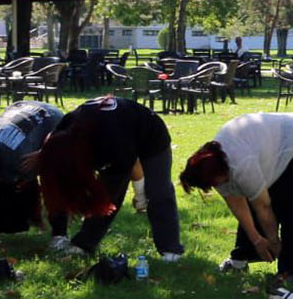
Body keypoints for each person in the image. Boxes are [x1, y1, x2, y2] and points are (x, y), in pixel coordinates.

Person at [37, 95, 184, 261]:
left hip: (151, 134)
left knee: (158, 191)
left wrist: (140, 193)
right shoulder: (65, 130)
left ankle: (170, 250)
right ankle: (84, 244)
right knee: (107, 194)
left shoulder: (108, 145)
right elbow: (55, 153)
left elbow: (123, 174)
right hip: (118, 131)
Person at [178, 111, 293, 280]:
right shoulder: (213, 166)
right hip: (266, 146)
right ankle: (241, 258)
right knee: (251, 195)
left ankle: (292, 270)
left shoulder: (241, 164)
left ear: (221, 171)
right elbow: (238, 205)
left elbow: (263, 207)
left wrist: (273, 241)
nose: (215, 187)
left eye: (213, 184)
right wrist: (257, 240)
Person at [0, 100, 67, 246]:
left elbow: (16, 187)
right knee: (10, 186)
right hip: (25, 108)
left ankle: (60, 236)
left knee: (53, 183)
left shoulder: (18, 157)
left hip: (54, 121)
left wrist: (43, 153)